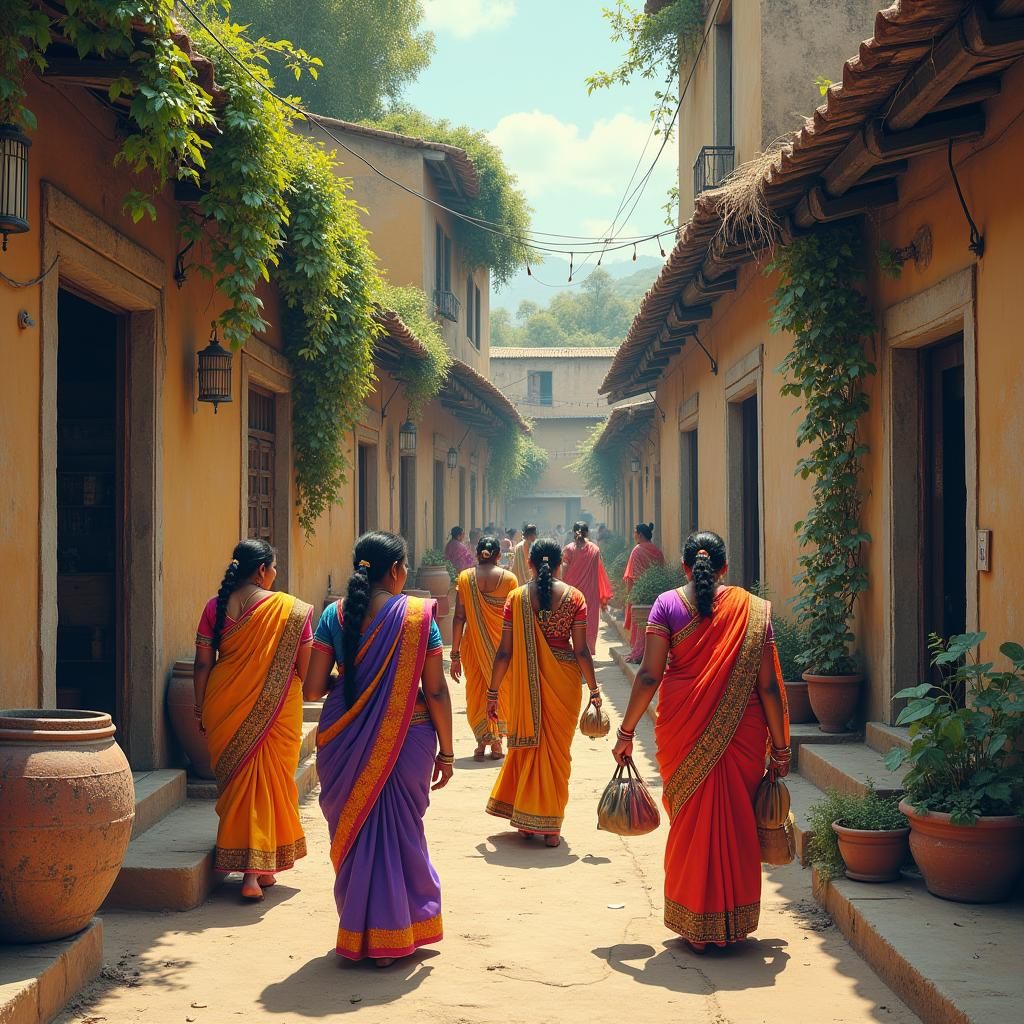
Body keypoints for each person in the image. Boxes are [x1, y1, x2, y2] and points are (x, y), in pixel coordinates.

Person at [611, 531, 790, 954]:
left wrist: (626, 731)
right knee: (736, 822)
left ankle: (697, 924)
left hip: (682, 730)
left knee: (694, 822)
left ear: (684, 566)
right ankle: (733, 924)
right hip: (742, 735)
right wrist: (781, 748)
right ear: (725, 568)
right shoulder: (752, 610)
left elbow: (651, 675)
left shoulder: (667, 605)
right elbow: (768, 688)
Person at [303, 532, 455, 966]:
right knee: (402, 832)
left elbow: (313, 687)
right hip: (410, 738)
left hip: (343, 740)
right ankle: (396, 935)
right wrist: (447, 750)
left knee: (358, 835)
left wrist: (358, 690)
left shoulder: (335, 614)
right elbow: (436, 690)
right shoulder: (417, 616)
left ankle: (365, 935)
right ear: (396, 570)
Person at [193, 539, 314, 902]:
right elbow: (302, 667)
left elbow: (202, 664)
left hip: (223, 704)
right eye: (274, 567)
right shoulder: (290, 611)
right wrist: (281, 685)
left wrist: (201, 707)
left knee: (241, 784)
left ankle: (252, 870)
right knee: (270, 781)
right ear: (262, 570)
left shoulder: (215, 607)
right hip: (280, 705)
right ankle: (256, 872)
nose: (275, 574)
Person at [485, 539, 601, 848]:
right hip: (565, 683)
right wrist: (594, 690)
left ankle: (527, 822)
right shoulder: (575, 598)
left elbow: (504, 653)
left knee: (531, 748)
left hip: (527, 681)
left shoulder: (517, 598)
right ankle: (551, 829)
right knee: (557, 754)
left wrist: (493, 692)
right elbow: (582, 651)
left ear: (530, 563)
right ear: (561, 563)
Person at [450, 535, 518, 761]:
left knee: (477, 691)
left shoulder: (465, 578)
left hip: (473, 646)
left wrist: (454, 654)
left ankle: (482, 742)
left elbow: (459, 618)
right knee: (500, 690)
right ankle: (497, 742)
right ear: (499, 555)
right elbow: (515, 618)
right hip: (503, 648)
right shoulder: (509, 579)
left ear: (477, 553)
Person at [561, 521, 613, 651]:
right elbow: (598, 572)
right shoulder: (595, 549)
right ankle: (587, 652)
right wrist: (603, 596)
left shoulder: (568, 549)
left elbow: (564, 571)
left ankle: (573, 651)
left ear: (573, 532)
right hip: (590, 593)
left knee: (571, 621)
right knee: (589, 623)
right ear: (587, 532)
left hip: (571, 593)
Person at [624, 523, 665, 663]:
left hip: (640, 592)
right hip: (656, 593)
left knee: (641, 625)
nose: (634, 535)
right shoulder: (657, 551)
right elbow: (661, 571)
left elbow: (632, 575)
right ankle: (652, 654)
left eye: (635, 533)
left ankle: (639, 654)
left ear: (640, 534)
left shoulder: (637, 550)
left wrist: (631, 594)